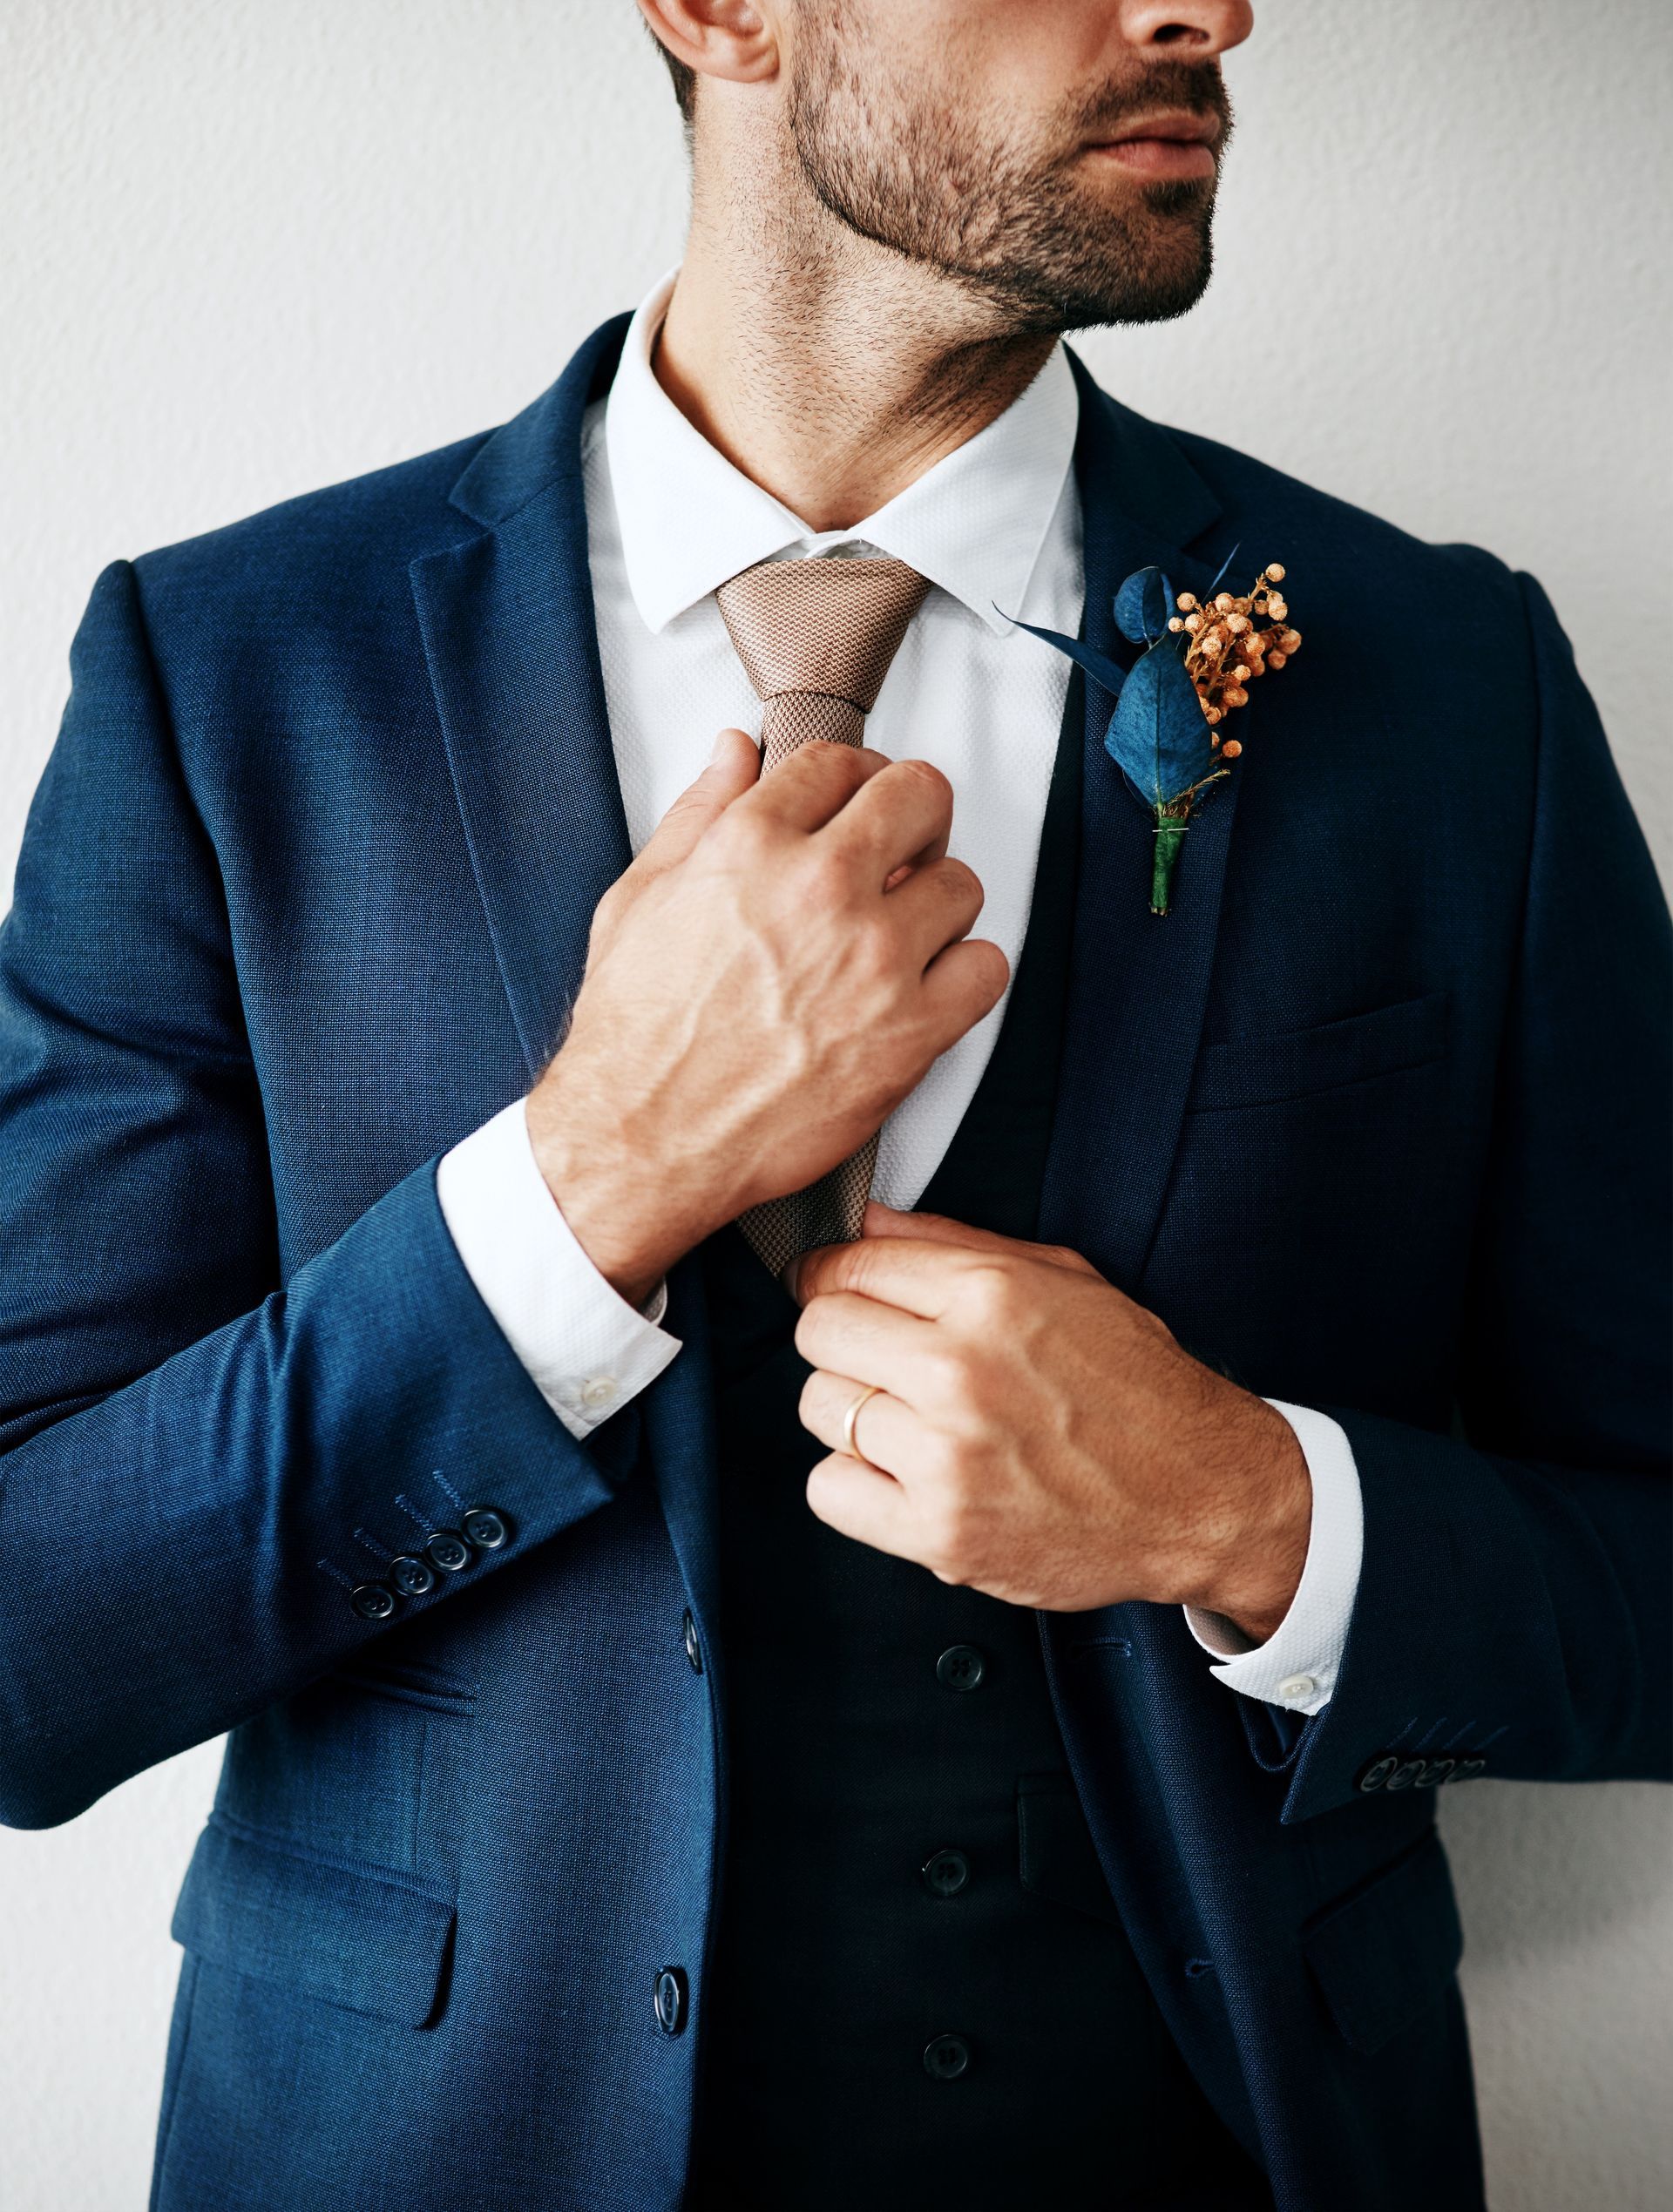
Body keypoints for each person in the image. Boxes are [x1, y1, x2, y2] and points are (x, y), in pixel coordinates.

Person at [0, 3, 1666, 2208]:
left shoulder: (1451, 685)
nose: (1213, 8)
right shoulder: (230, 675)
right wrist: (589, 1184)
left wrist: (1258, 1510)